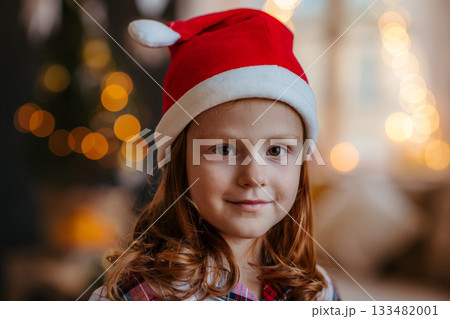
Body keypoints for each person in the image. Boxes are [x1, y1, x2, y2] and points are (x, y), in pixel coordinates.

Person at [89, 8, 340, 301]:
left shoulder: (317, 291)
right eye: (224, 149)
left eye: (275, 150)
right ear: (180, 161)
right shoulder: (148, 296)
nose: (253, 177)